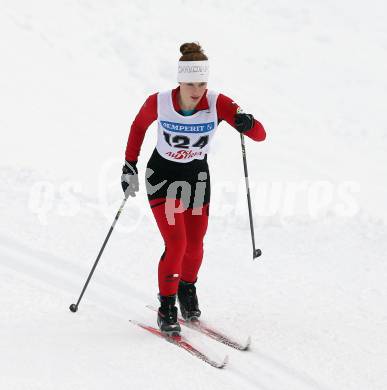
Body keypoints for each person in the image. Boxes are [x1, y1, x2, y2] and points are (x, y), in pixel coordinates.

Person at [122, 42, 266, 335]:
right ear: (179, 81)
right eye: (190, 83)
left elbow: (260, 135)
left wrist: (247, 123)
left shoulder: (218, 102)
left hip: (196, 179)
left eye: (202, 82)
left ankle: (187, 290)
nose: (197, 90)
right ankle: (166, 307)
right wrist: (129, 165)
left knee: (196, 244)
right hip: (162, 178)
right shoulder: (159, 102)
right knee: (177, 244)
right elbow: (138, 127)